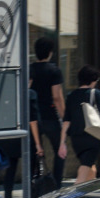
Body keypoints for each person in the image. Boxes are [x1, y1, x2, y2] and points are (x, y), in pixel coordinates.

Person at [58, 65, 100, 185]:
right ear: (93, 79)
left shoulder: (71, 96)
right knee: (84, 169)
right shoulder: (95, 93)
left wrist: (62, 143)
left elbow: (66, 121)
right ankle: (72, 196)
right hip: (92, 137)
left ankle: (90, 193)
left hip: (76, 140)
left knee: (91, 167)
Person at [29, 38, 66, 189]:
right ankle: (56, 185)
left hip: (33, 117)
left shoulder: (30, 69)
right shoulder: (54, 70)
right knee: (60, 149)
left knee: (34, 152)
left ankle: (34, 184)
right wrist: (65, 117)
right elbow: (57, 97)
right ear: (50, 53)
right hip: (50, 115)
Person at [0, 88, 43, 198]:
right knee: (30, 171)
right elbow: (33, 121)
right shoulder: (29, 93)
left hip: (10, 135)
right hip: (26, 137)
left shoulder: (8, 91)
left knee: (10, 170)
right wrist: (38, 144)